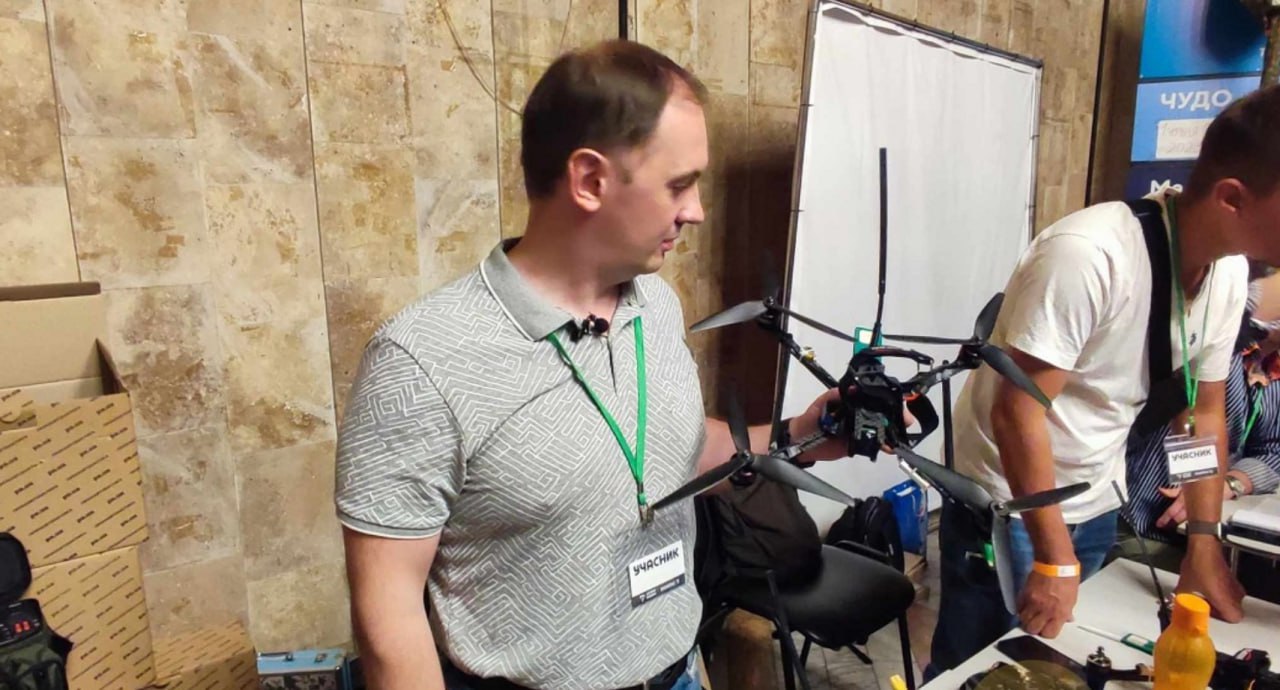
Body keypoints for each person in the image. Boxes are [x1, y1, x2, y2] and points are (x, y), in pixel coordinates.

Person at [333, 40, 851, 690]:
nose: (696, 210)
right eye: (679, 184)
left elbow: (675, 451)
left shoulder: (655, 305)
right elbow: (389, 621)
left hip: (678, 674)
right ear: (589, 180)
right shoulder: (421, 361)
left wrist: (801, 435)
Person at [927, 82, 1280, 677]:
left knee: (1059, 667)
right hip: (1010, 505)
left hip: (1096, 495)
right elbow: (1017, 412)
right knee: (978, 672)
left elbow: (1199, 415)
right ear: (1232, 199)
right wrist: (1054, 557)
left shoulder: (1226, 275)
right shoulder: (1088, 254)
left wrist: (1202, 540)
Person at [1117, 268, 1280, 600]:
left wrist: (1229, 484)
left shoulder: (1271, 367)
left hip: (1209, 535)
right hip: (1139, 525)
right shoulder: (1218, 339)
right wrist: (1198, 485)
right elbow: (1191, 417)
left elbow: (1273, 449)